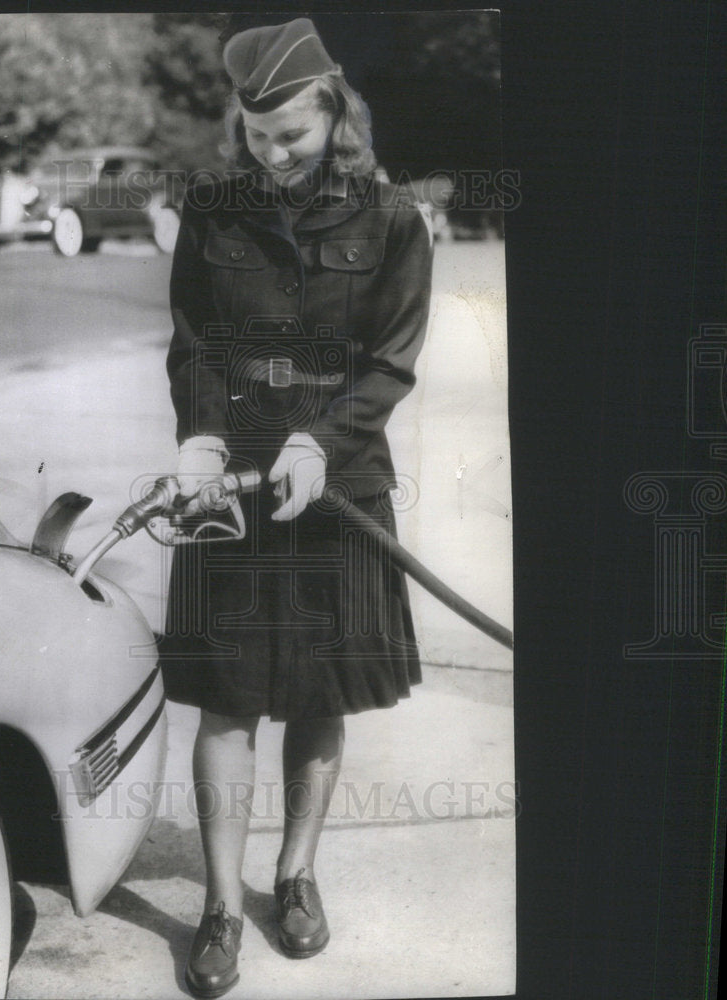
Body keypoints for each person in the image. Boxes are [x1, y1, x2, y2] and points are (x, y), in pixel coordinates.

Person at [158, 17, 434, 998]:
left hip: (340, 477)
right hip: (229, 474)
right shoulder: (214, 206)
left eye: (293, 135)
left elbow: (391, 360)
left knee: (320, 693)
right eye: (255, 134)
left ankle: (297, 875)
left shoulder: (392, 216)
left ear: (335, 111)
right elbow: (192, 337)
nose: (272, 156)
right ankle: (223, 904)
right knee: (228, 697)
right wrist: (197, 435)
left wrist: (326, 440)